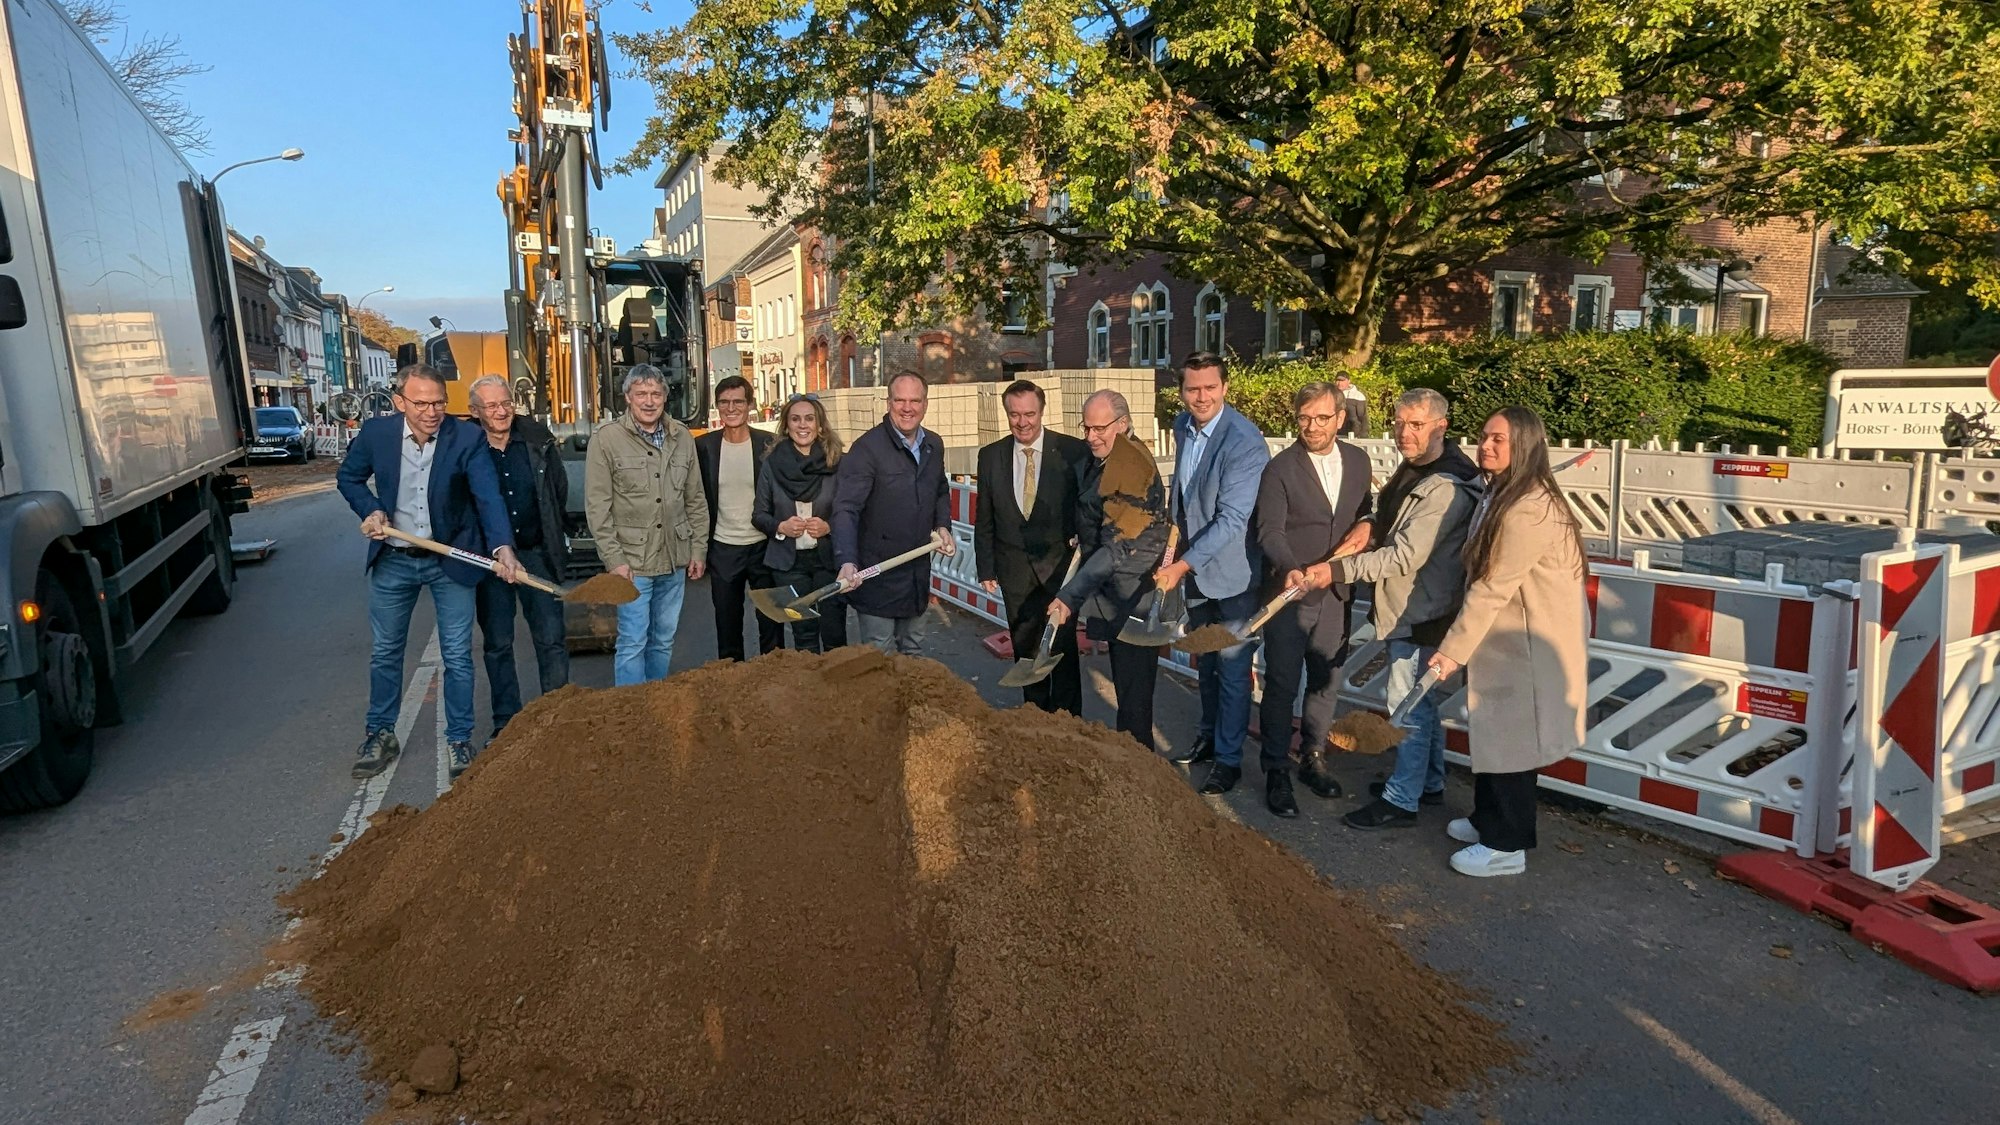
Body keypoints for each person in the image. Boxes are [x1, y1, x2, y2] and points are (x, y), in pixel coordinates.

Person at [337, 364, 521, 781]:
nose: (432, 411)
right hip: (394, 559)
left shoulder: (467, 437)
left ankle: (459, 739)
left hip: (449, 558)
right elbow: (348, 478)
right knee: (386, 651)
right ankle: (379, 733)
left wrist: (502, 549)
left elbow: (487, 496)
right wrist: (370, 510)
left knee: (457, 654)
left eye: (439, 401)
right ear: (400, 401)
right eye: (420, 403)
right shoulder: (376, 435)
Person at [1426, 406, 1589, 877]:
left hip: (1529, 645)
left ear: (1525, 446)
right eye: (1483, 436)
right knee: (1494, 733)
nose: (1486, 445)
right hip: (1509, 640)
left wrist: (1452, 649)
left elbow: (1493, 585)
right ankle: (1487, 820)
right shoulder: (1503, 494)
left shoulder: (1528, 509)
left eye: (1499, 439)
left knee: (1515, 743)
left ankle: (1507, 844)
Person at [1337, 389, 1482, 830]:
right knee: (1422, 704)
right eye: (1399, 423)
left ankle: (1402, 800)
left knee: (1407, 707)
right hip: (1423, 604)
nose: (1403, 433)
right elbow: (1390, 515)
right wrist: (1368, 524)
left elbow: (1404, 555)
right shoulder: (1421, 468)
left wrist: (1338, 571)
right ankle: (1429, 783)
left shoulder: (1446, 485)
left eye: (1416, 425)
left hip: (1422, 610)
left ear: (1441, 426)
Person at [1249, 383, 1374, 817]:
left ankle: (1313, 757)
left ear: (1341, 418)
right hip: (1292, 592)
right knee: (1282, 683)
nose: (1312, 427)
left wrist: (1371, 523)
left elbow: (1368, 510)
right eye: (1304, 418)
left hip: (1337, 591)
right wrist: (1290, 567)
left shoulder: (1358, 461)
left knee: (1326, 679)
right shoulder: (1280, 469)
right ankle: (1276, 769)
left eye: (1322, 418)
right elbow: (1269, 531)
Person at [1160, 352, 1272, 790]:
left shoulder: (1244, 442)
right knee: (1204, 660)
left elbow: (1232, 520)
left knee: (1231, 667)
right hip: (1196, 572)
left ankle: (1228, 760)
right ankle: (1207, 739)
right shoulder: (1182, 426)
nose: (1201, 397)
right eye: (1192, 389)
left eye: (1210, 388)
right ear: (1182, 391)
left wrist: (1183, 563)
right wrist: (1174, 546)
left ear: (1225, 388)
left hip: (1233, 575)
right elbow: (1184, 496)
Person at [1048, 390, 1169, 749]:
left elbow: (1117, 546)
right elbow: (1096, 509)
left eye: (1100, 428)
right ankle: (1130, 761)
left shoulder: (1132, 467)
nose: (1091, 436)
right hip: (1115, 589)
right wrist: (1082, 535)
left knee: (1133, 696)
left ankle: (1140, 774)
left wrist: (1069, 596)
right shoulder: (1107, 457)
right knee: (1126, 687)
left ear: (1124, 423)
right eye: (1086, 428)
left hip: (1134, 596)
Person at [584, 364, 709, 686]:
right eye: (641, 394)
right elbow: (598, 507)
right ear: (628, 398)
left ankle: (654, 704)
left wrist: (698, 550)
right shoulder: (607, 439)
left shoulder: (681, 436)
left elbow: (695, 499)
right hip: (633, 563)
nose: (649, 401)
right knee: (632, 642)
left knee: (663, 639)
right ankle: (630, 712)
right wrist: (615, 561)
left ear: (666, 397)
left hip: (674, 558)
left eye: (656, 394)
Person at [975, 379, 1089, 714]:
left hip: (1060, 570)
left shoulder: (1071, 452)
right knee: (1025, 651)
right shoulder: (991, 456)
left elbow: (1087, 505)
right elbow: (985, 516)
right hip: (1014, 572)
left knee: (1063, 650)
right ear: (1006, 414)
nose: (1022, 422)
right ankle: (1035, 720)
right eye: (1014, 415)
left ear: (1042, 411)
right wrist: (986, 567)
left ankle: (1069, 724)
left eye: (1029, 414)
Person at [467, 375, 571, 739]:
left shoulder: (537, 440)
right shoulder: (466, 446)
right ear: (475, 411)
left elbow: (557, 490)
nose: (501, 412)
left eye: (506, 403)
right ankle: (506, 723)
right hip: (489, 561)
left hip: (536, 552)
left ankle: (557, 716)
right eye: (492, 406)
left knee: (551, 637)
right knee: (497, 643)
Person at [833, 372, 954, 654]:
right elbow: (846, 508)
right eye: (900, 400)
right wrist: (847, 560)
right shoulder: (867, 449)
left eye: (915, 400)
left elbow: (940, 488)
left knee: (913, 650)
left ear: (926, 404)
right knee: (880, 656)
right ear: (888, 403)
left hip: (916, 573)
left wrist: (943, 524)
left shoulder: (933, 445)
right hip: (878, 574)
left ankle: (912, 701)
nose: (907, 408)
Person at [697, 376, 785, 661]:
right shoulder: (705, 447)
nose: (731, 408)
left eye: (738, 401)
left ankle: (773, 682)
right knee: (727, 624)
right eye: (724, 402)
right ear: (717, 407)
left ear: (750, 405)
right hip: (724, 547)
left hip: (764, 546)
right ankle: (731, 684)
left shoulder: (770, 444)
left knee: (772, 623)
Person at [753, 393, 848, 652]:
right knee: (803, 634)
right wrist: (780, 528)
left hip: (828, 560)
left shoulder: (838, 462)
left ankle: (835, 691)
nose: (802, 425)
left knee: (834, 632)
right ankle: (810, 690)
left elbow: (850, 511)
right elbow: (759, 515)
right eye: (795, 419)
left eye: (809, 419)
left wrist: (828, 526)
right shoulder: (771, 465)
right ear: (786, 425)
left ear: (820, 425)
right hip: (788, 564)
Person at [1334, 373, 1370, 439]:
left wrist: (1363, 435)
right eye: (1338, 380)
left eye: (1342, 381)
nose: (1339, 383)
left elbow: (1363, 417)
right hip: (1336, 435)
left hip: (1354, 436)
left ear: (1349, 381)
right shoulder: (1331, 395)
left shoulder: (1358, 396)